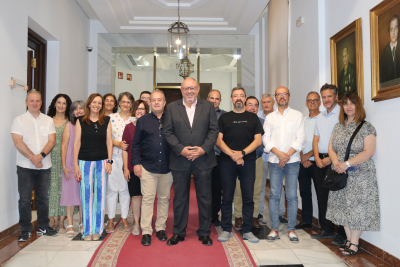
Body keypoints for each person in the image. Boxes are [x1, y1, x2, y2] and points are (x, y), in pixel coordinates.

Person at [163, 78, 219, 246]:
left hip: (203, 158)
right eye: (186, 88)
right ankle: (178, 232)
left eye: (192, 88)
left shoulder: (208, 106)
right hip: (180, 159)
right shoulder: (171, 108)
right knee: (180, 198)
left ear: (198, 89)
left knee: (205, 197)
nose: (189, 91)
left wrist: (202, 149)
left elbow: (213, 130)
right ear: (181, 90)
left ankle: (204, 232)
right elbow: (168, 132)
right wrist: (181, 149)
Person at [326, 92, 380, 256]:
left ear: (358, 106)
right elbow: (331, 148)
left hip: (360, 175)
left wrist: (347, 164)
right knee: (343, 207)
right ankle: (349, 239)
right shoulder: (338, 126)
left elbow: (369, 152)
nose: (349, 106)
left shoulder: (366, 127)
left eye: (352, 103)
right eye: (345, 103)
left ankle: (355, 243)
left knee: (358, 209)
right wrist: (336, 163)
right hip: (341, 174)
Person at [217, 88, 263, 243]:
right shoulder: (224, 117)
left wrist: (242, 154)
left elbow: (258, 141)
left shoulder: (253, 118)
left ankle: (248, 230)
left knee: (248, 197)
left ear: (244, 99)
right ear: (231, 99)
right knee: (227, 196)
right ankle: (226, 229)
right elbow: (218, 140)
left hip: (248, 162)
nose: (238, 98)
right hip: (227, 162)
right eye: (235, 96)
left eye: (241, 96)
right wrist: (233, 155)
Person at [11, 90, 57, 241]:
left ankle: (43, 226)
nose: (35, 103)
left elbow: (51, 141)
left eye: (37, 101)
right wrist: (33, 158)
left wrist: (41, 156)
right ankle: (25, 229)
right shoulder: (19, 120)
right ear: (26, 102)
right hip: (25, 166)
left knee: (43, 198)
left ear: (41, 103)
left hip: (44, 166)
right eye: (32, 101)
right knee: (24, 199)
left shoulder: (48, 120)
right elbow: (18, 141)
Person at [131, 90, 173, 246]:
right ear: (150, 103)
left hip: (168, 168)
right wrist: (135, 163)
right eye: (153, 100)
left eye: (159, 100)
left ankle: (160, 228)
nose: (156, 102)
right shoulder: (143, 120)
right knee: (148, 200)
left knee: (164, 199)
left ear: (164, 102)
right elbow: (136, 144)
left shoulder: (171, 120)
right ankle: (147, 231)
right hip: (147, 167)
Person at [263, 86, 305, 242]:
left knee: (292, 196)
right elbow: (265, 139)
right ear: (275, 97)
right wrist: (279, 154)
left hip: (292, 161)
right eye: (279, 94)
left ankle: (291, 229)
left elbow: (300, 139)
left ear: (289, 96)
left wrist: (286, 155)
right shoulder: (270, 118)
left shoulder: (297, 115)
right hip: (274, 161)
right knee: (274, 195)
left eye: (284, 94)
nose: (282, 97)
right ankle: (274, 228)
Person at [73, 93, 113, 241]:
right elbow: (76, 143)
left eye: (99, 103)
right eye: (94, 102)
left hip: (102, 162)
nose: (97, 105)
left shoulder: (106, 120)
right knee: (86, 197)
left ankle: (98, 230)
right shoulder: (80, 121)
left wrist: (110, 162)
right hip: (84, 162)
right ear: (89, 104)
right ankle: (87, 231)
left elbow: (109, 142)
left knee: (100, 197)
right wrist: (75, 164)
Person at [312, 83, 346, 245]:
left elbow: (345, 140)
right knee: (322, 194)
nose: (326, 100)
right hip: (320, 160)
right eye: (324, 97)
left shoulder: (343, 113)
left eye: (329, 96)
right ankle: (326, 228)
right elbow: (316, 139)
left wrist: (331, 159)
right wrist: (317, 157)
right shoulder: (319, 116)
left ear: (336, 97)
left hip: (336, 160)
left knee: (338, 196)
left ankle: (342, 233)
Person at [105, 92, 135, 233]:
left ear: (131, 104)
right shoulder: (111, 118)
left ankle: (124, 218)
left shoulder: (135, 119)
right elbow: (105, 138)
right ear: (119, 103)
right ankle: (110, 219)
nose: (125, 104)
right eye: (123, 101)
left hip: (128, 159)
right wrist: (117, 143)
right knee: (111, 189)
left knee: (124, 189)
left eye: (128, 102)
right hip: (112, 157)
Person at [233, 96, 264, 229]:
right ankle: (239, 216)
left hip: (257, 160)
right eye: (249, 104)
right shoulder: (238, 120)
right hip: (241, 161)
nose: (252, 107)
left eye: (255, 105)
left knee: (256, 190)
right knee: (239, 190)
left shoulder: (263, 122)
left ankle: (254, 216)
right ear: (245, 106)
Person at [257, 93, 287, 223]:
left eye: (268, 102)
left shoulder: (279, 116)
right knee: (260, 186)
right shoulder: (257, 117)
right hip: (262, 157)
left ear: (273, 102)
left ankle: (281, 214)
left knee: (278, 186)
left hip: (276, 157)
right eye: (264, 102)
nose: (266, 104)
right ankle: (259, 214)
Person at [122, 100, 149, 236]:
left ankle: (146, 222)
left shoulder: (150, 126)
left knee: (147, 197)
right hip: (133, 167)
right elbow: (125, 149)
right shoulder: (128, 128)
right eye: (138, 109)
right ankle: (137, 223)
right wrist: (126, 168)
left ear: (146, 111)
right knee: (136, 196)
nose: (140, 111)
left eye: (143, 109)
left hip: (149, 167)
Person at [47, 94, 72, 234]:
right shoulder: (47, 121)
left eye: (64, 103)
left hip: (64, 159)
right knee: (52, 189)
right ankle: (53, 220)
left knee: (64, 189)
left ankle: (62, 221)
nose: (61, 106)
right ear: (54, 104)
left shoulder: (70, 122)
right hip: (49, 159)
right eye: (59, 102)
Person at [295, 92, 321, 230]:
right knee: (304, 192)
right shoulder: (302, 120)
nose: (312, 102)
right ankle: (306, 220)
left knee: (320, 193)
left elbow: (323, 140)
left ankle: (324, 224)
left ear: (319, 103)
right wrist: (301, 157)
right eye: (309, 100)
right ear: (306, 103)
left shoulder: (323, 119)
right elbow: (296, 139)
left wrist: (309, 155)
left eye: (315, 100)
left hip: (317, 161)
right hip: (302, 161)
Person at [60, 100, 85, 237]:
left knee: (82, 193)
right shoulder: (69, 126)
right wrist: (64, 166)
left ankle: (82, 222)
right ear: (72, 112)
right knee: (70, 192)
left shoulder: (87, 125)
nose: (79, 111)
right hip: (70, 162)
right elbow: (64, 146)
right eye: (76, 109)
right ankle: (70, 223)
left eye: (81, 108)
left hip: (84, 161)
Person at [207, 89, 226, 226]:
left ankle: (214, 215)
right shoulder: (200, 113)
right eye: (212, 98)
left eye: (217, 98)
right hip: (204, 156)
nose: (214, 101)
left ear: (220, 100)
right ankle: (205, 216)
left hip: (219, 157)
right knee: (204, 188)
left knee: (217, 188)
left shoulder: (225, 116)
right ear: (207, 99)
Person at [379, 14, 400, 84]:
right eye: (391, 29)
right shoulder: (385, 53)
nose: (393, 33)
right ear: (389, 32)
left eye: (396, 28)